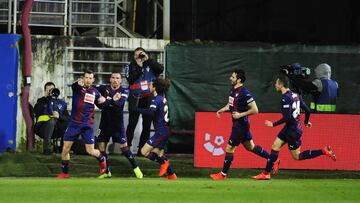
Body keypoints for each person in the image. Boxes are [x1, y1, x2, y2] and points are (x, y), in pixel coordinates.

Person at [252, 74, 337, 180]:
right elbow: (307, 110)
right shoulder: (296, 95)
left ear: (281, 85)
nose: (275, 85)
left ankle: (323, 151)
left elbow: (287, 118)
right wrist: (306, 122)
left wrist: (273, 124)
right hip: (292, 128)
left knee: (297, 156)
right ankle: (266, 173)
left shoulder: (285, 98)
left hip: (292, 132)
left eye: (276, 83)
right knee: (275, 147)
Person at [209, 69, 273, 180]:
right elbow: (230, 105)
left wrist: (240, 115)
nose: (230, 78)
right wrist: (221, 110)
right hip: (240, 125)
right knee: (251, 147)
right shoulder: (233, 90)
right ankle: (273, 159)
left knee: (229, 149)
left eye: (233, 77)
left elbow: (255, 110)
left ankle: (223, 175)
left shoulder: (245, 92)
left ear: (239, 80)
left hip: (240, 125)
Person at [56, 69, 111, 179]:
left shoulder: (95, 92)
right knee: (65, 149)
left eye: (90, 78)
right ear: (83, 78)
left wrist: (109, 100)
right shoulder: (77, 87)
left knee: (90, 151)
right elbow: (74, 86)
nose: (88, 80)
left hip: (87, 125)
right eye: (86, 77)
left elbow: (103, 103)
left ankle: (102, 159)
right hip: (74, 124)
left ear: (93, 80)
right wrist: (77, 83)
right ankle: (65, 173)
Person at [96, 72, 143, 179]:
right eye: (113, 77)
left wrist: (106, 101)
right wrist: (110, 101)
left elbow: (119, 104)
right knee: (101, 147)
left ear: (121, 80)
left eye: (117, 78)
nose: (115, 80)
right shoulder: (103, 88)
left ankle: (136, 168)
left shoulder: (124, 90)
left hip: (117, 124)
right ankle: (106, 171)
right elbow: (95, 95)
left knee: (124, 148)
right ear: (110, 79)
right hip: (104, 123)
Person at [126, 47, 164, 155]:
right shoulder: (131, 65)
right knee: (132, 124)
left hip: (149, 98)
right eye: (136, 55)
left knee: (147, 125)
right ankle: (127, 148)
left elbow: (160, 69)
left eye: (141, 54)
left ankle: (141, 150)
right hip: (135, 98)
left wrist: (148, 60)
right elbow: (130, 79)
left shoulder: (150, 64)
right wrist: (139, 66)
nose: (139, 57)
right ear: (133, 56)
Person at [138, 78, 177, 180]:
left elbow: (151, 112)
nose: (149, 87)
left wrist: (137, 110)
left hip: (161, 131)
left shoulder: (156, 99)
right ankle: (171, 175)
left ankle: (164, 163)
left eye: (151, 85)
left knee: (144, 152)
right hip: (166, 130)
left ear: (154, 88)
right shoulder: (163, 98)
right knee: (158, 153)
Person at [34, 82, 69, 155]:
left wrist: (59, 116)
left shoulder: (60, 103)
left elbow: (67, 117)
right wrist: (48, 101)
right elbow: (36, 110)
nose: (50, 92)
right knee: (52, 121)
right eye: (48, 90)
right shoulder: (41, 101)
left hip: (57, 128)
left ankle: (64, 149)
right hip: (42, 127)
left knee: (69, 123)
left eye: (52, 90)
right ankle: (47, 149)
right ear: (45, 91)